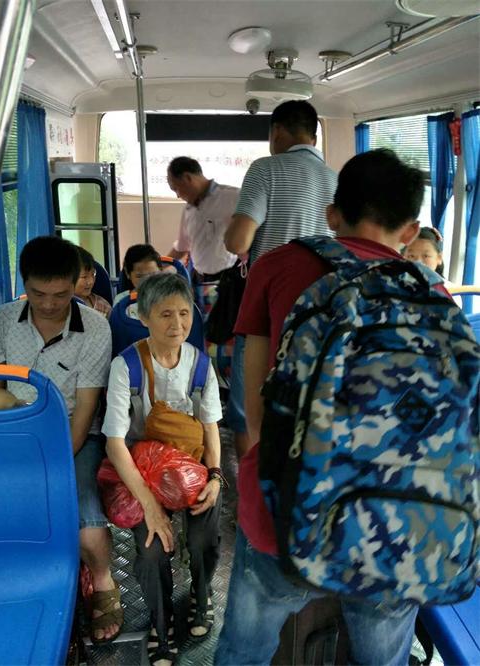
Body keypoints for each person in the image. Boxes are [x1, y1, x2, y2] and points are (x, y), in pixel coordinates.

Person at [215, 149, 451, 666]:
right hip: (393, 519)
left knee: (244, 652)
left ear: (331, 214)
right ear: (411, 230)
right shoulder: (431, 289)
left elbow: (253, 406)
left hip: (288, 506)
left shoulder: (277, 266)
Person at [0, 235, 121, 644]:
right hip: (13, 431)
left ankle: (103, 580)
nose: (48, 304)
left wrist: (55, 462)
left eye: (60, 295)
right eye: (38, 294)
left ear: (76, 284)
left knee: (83, 516)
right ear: (24, 284)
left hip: (71, 435)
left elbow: (86, 407)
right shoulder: (1, 320)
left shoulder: (95, 327)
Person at [102, 272, 223, 666]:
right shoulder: (127, 367)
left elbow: (211, 430)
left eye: (184, 314)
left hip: (193, 464)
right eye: (165, 314)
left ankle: (201, 595)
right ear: (144, 317)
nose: (177, 324)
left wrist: (216, 476)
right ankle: (160, 620)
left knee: (203, 535)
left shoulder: (200, 366)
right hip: (143, 470)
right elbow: (115, 443)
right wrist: (150, 506)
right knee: (151, 550)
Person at [224, 100, 337, 458]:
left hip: (268, 312)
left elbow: (237, 242)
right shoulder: (336, 180)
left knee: (249, 412)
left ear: (277, 131)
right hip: (323, 313)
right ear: (314, 136)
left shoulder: (266, 169)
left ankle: (252, 488)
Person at [167, 156, 239, 287]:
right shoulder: (188, 211)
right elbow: (182, 247)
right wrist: (159, 265)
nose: (177, 195)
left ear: (187, 178)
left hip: (229, 279)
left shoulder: (233, 198)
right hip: (198, 278)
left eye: (176, 188)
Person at [75, 246, 112, 318]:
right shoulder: (61, 306)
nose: (91, 281)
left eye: (93, 274)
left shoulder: (103, 306)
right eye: (84, 277)